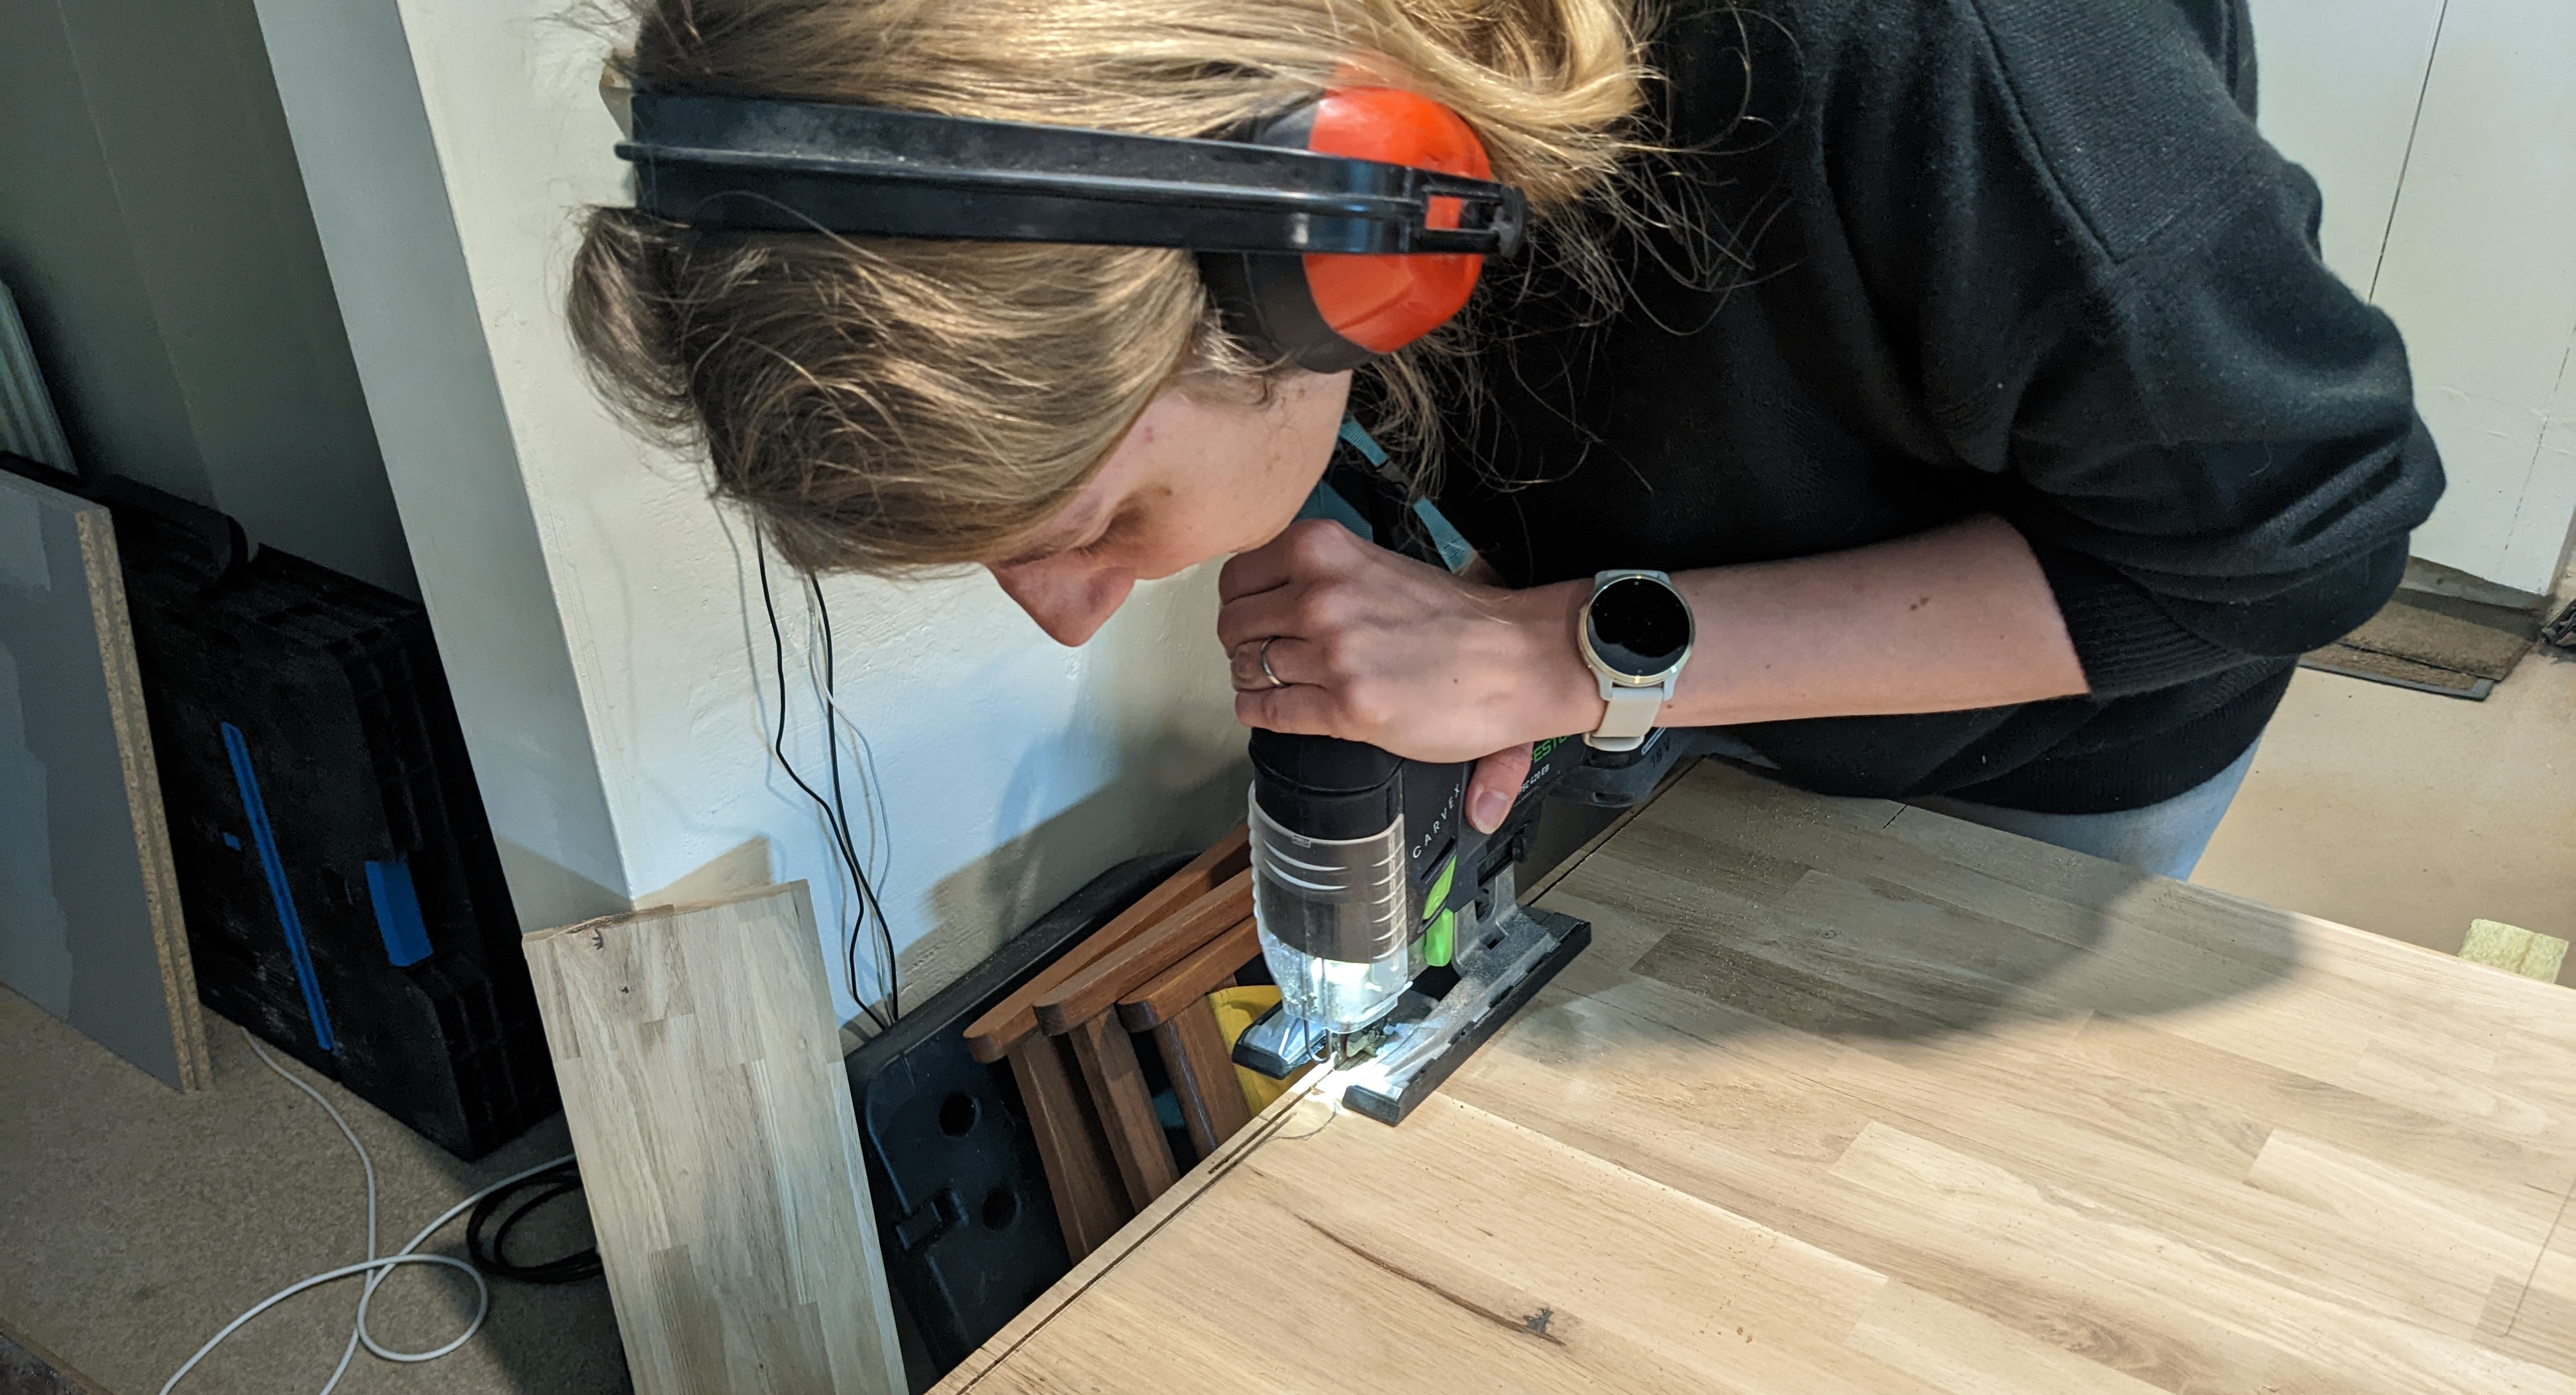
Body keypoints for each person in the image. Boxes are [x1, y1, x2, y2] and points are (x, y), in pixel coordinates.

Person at [570, 0, 2442, 879]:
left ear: (1341, 249)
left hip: (2048, 713)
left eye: (1093, 518)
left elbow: (2300, 538)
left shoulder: (1947, 54)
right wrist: (1455, 586)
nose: (1066, 613)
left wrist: (1573, 655)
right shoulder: (1241, 130)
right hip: (1652, 620)